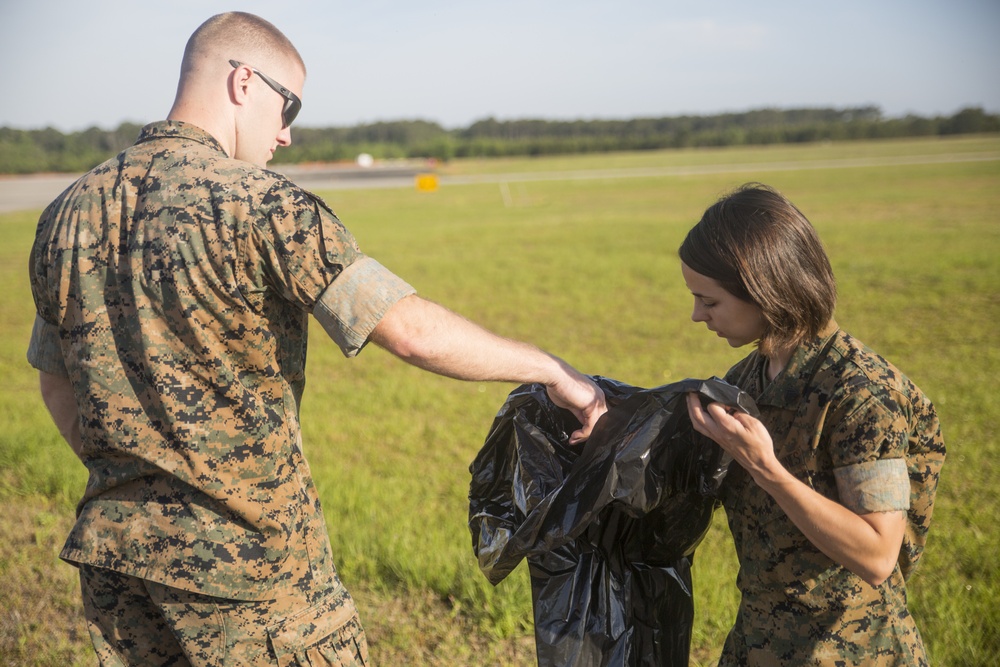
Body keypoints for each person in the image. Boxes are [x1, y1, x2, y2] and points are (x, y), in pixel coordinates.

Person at [27, 11, 606, 666]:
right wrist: (551, 369)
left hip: (116, 559)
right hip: (250, 571)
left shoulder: (68, 210)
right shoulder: (263, 203)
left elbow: (56, 381)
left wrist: (144, 479)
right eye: (287, 105)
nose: (288, 133)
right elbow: (409, 331)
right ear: (244, 81)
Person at [678, 183, 945, 665]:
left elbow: (878, 555)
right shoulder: (748, 378)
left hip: (853, 649)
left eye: (709, 301)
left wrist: (768, 469)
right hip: (758, 643)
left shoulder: (862, 393)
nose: (697, 315)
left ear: (764, 290)